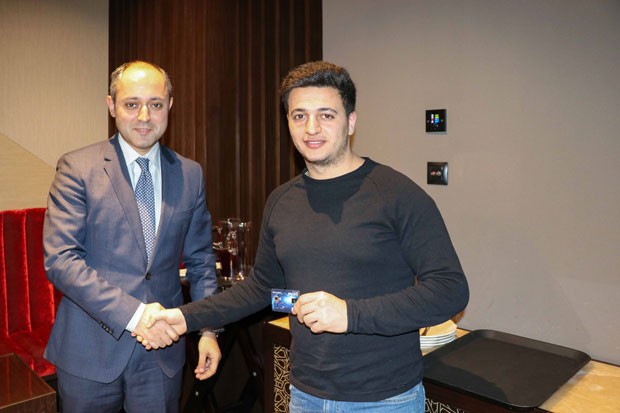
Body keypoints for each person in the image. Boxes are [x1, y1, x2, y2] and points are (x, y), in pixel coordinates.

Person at [143, 61, 469, 412]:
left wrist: (350, 314)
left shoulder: (396, 194)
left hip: (384, 399)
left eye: (326, 115)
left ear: (351, 121)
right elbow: (261, 287)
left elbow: (450, 290)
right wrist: (185, 317)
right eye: (299, 116)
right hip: (305, 395)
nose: (311, 128)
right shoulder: (281, 200)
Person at [43, 60, 221, 413]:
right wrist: (136, 315)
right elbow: (61, 260)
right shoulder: (77, 168)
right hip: (90, 351)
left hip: (162, 354)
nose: (144, 116)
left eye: (155, 104)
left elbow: (201, 260)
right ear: (111, 106)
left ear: (170, 105)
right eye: (131, 104)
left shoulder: (190, 174)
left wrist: (208, 331)